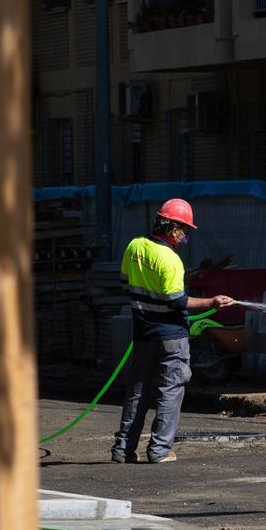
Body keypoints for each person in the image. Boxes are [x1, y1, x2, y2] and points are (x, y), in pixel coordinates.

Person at [110, 198, 234, 463]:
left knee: (138, 390)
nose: (185, 234)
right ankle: (159, 450)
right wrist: (211, 302)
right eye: (184, 229)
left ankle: (123, 449)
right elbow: (177, 301)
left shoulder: (134, 246)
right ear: (173, 227)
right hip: (171, 337)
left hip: (143, 333)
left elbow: (126, 283)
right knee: (170, 390)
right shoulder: (170, 258)